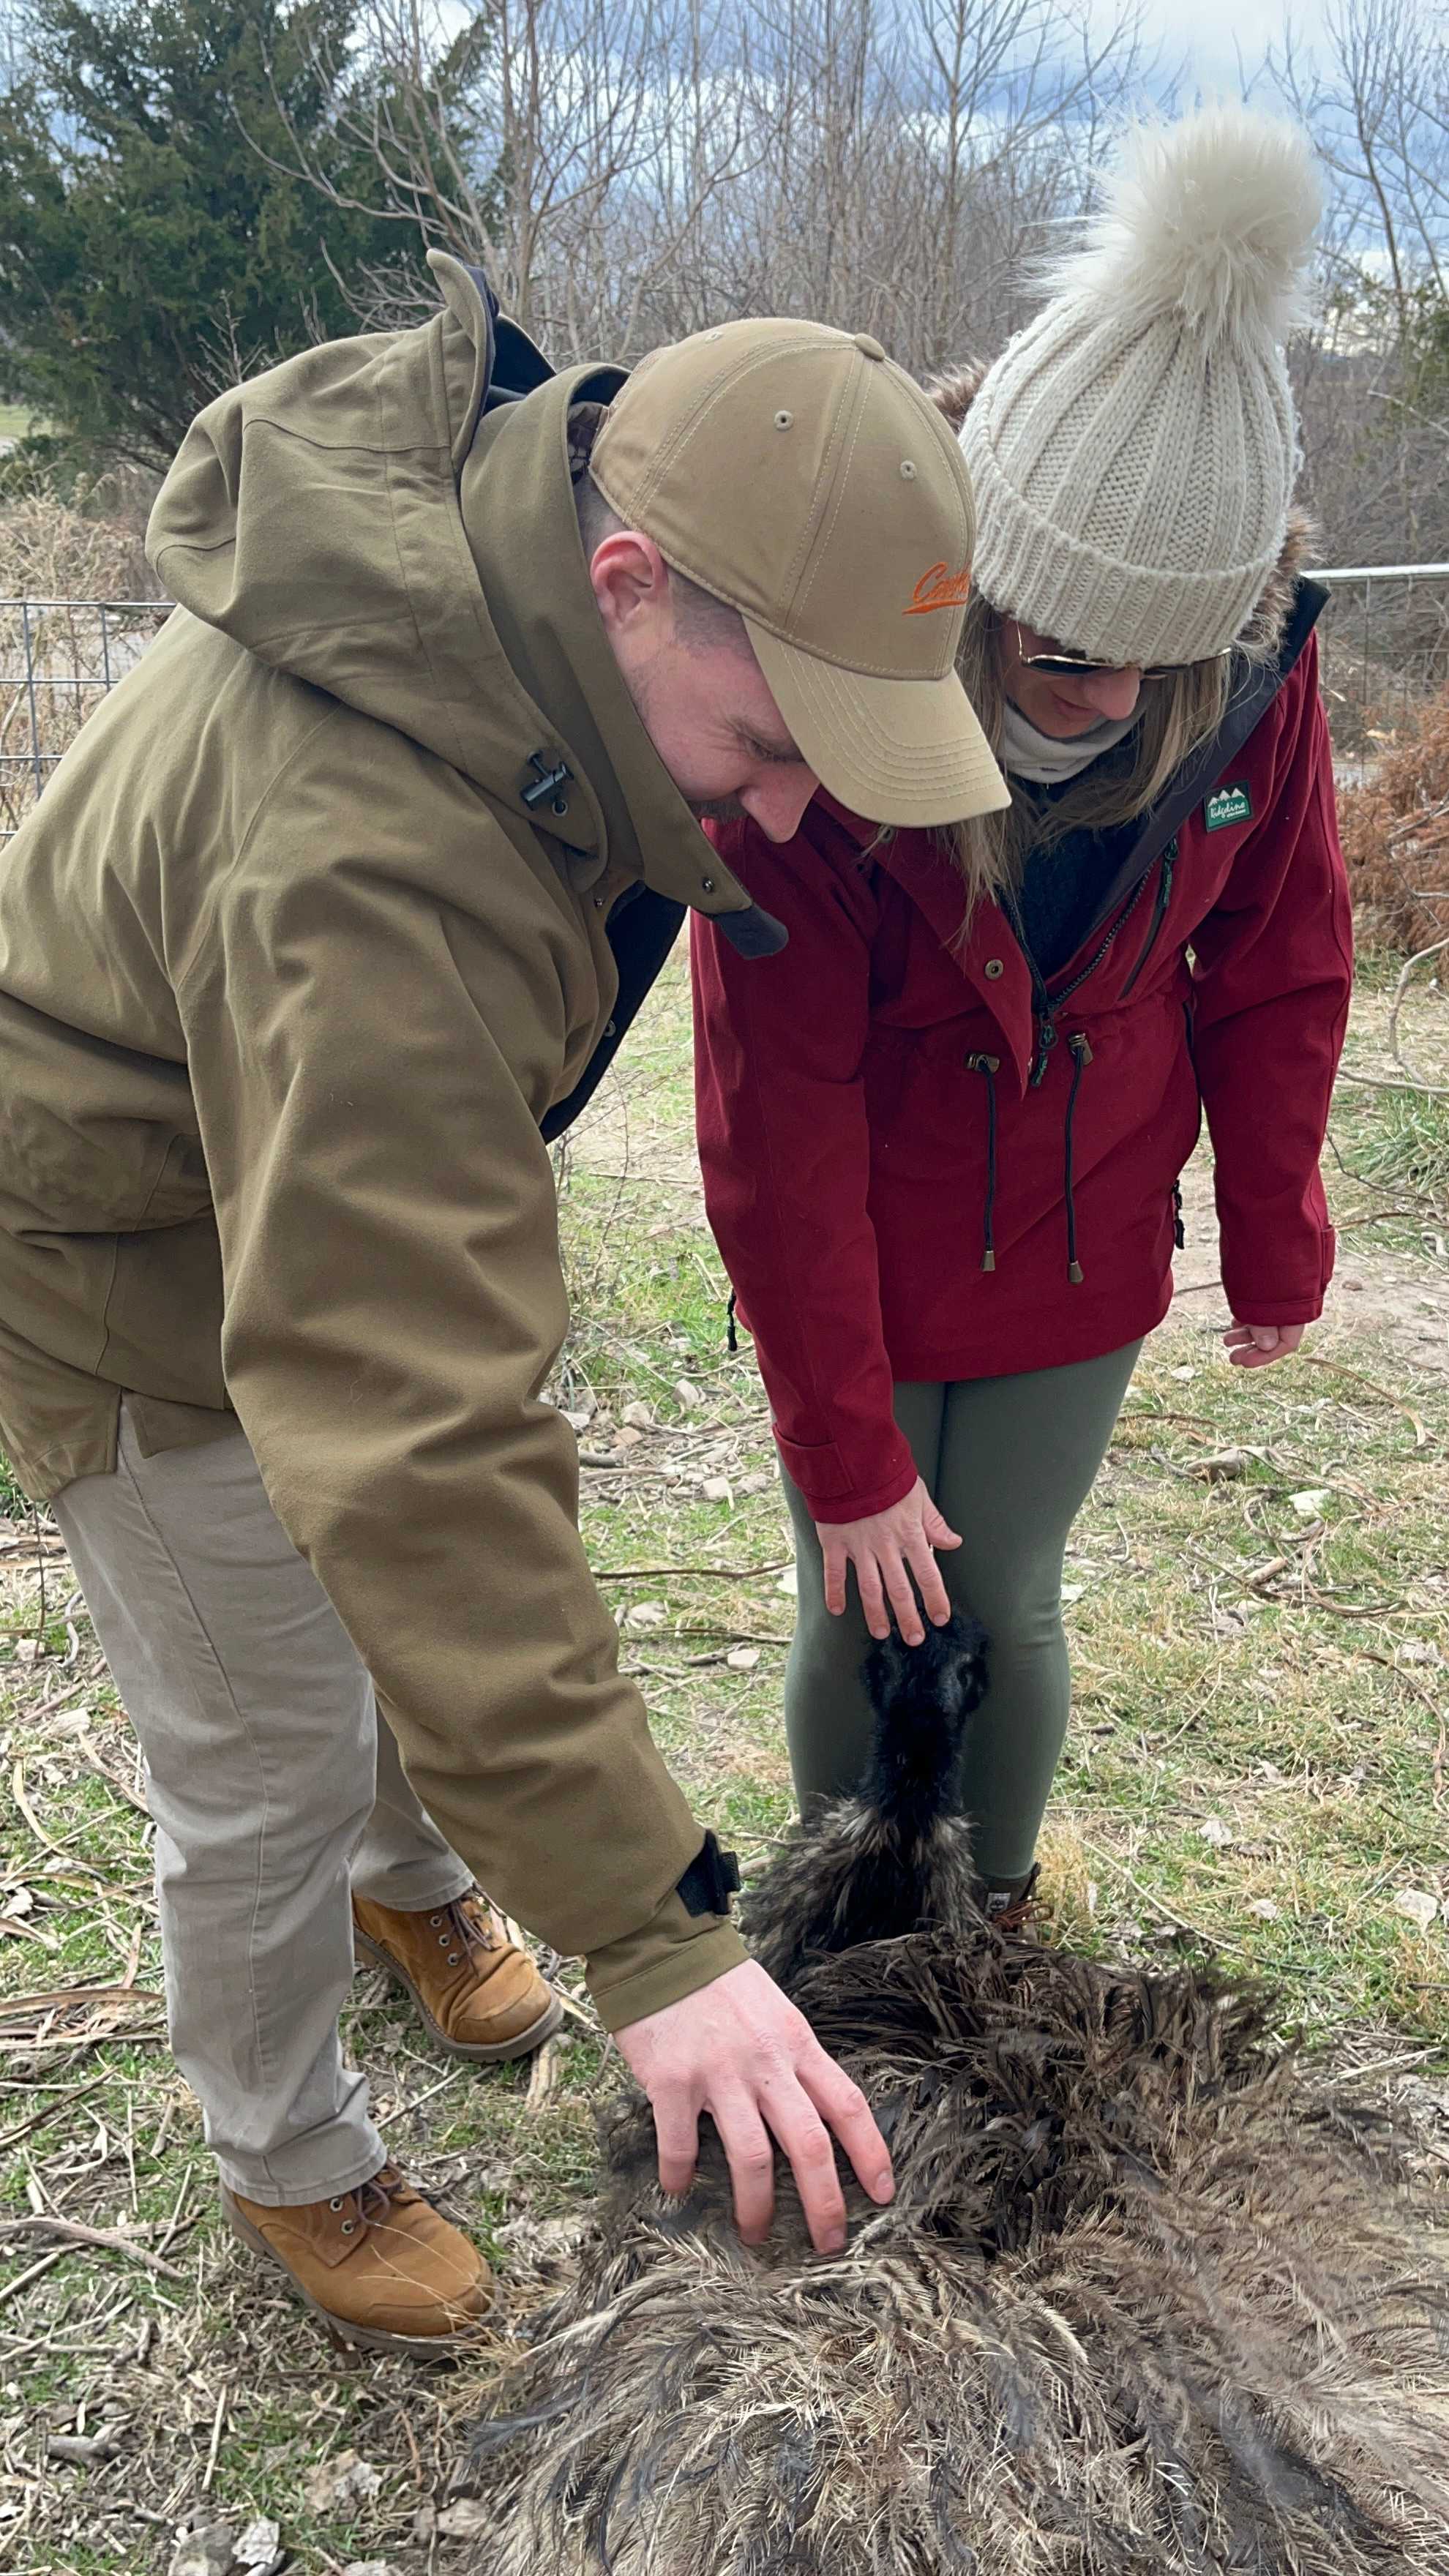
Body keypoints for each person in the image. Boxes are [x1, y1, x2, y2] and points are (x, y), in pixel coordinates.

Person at [0, 261, 1010, 2352]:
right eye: (774, 743)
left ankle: (414, 1881)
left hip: (294, 1155)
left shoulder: (520, 582)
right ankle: (289, 2148)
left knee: (377, 1617)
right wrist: (661, 1937)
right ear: (630, 582)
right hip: (121, 1266)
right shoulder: (363, 855)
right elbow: (411, 1436)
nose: (792, 814)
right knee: (265, 1743)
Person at [692, 109, 1353, 1920]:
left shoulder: (1255, 680)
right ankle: (849, 1923)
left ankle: (987, 1920)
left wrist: (1275, 1231)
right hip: (868, 1217)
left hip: (1088, 1216)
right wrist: (850, 1452)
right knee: (866, 1588)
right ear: (985, 595)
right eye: (1067, 651)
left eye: (1166, 657)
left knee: (1009, 1594)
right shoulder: (831, 714)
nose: (1117, 696)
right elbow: (776, 1101)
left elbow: (1284, 954)